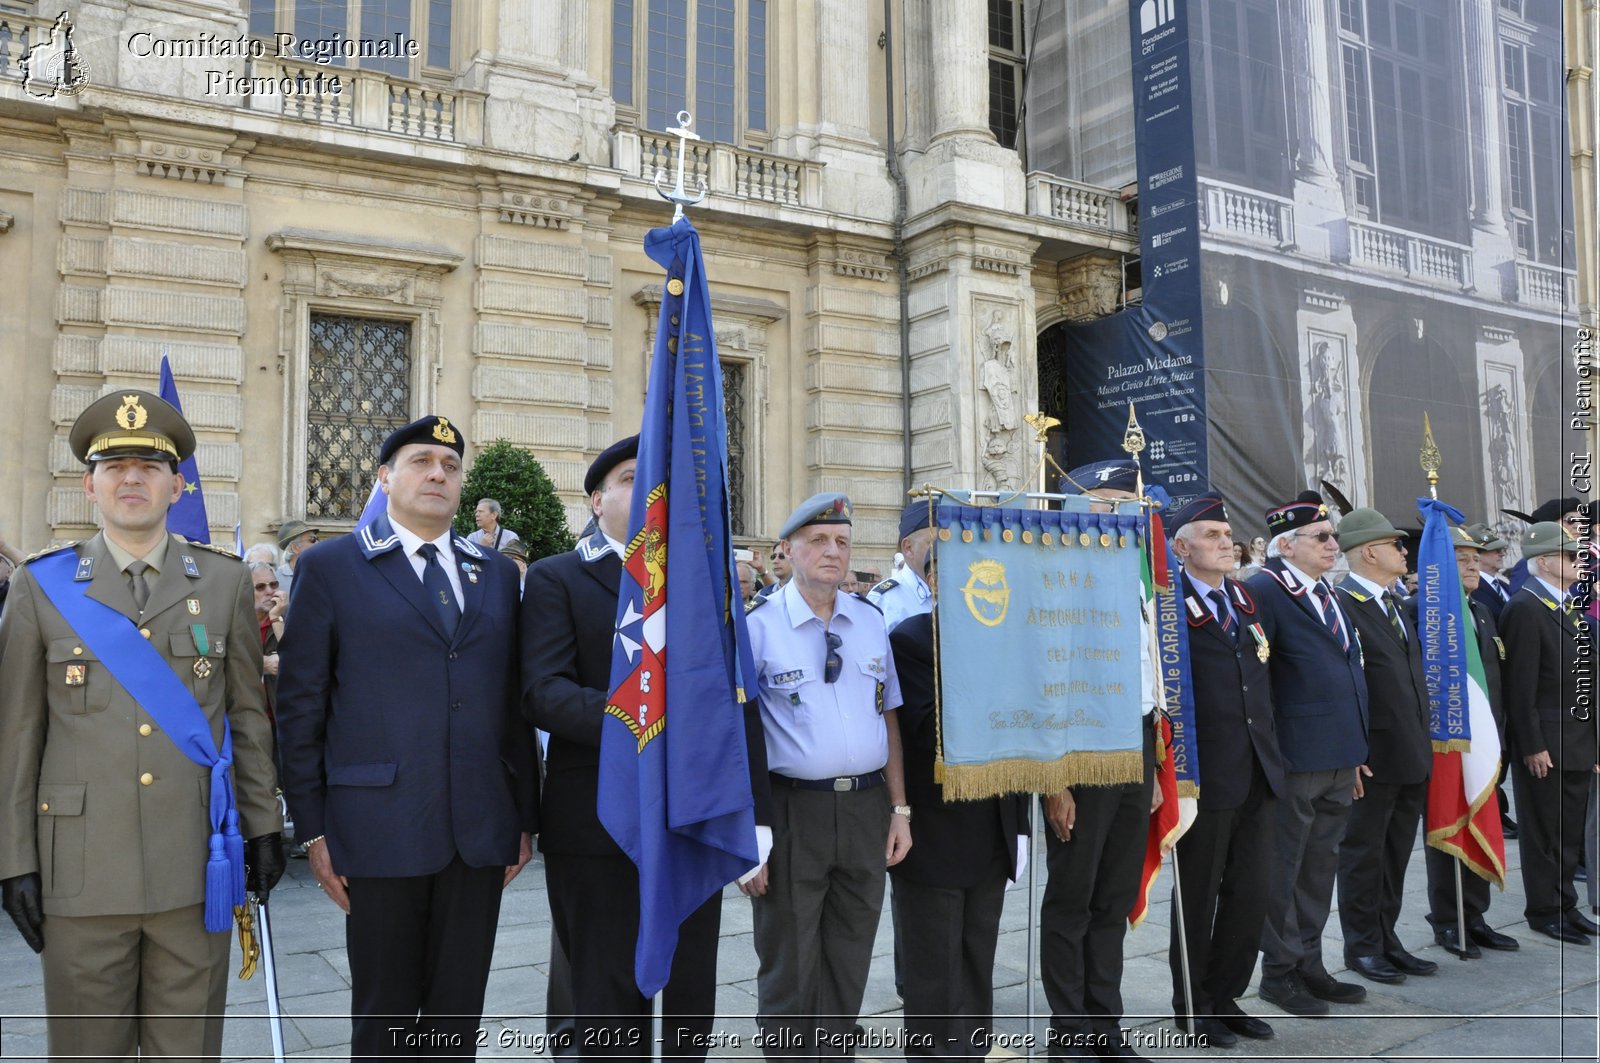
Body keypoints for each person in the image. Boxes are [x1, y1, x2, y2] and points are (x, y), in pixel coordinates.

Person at [0, 388, 284, 1059]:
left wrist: (264, 824)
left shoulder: (224, 583)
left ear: (176, 484)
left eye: (150, 466)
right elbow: (17, 737)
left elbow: (246, 715)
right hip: (80, 873)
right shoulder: (41, 588)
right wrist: (14, 861)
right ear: (89, 485)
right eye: (116, 465)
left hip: (196, 868)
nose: (133, 477)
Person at [275, 414, 538, 1057]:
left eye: (450, 467)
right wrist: (311, 829)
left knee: (457, 1019)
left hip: (478, 830)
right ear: (386, 477)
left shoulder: (497, 574)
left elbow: (514, 707)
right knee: (385, 1016)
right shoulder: (335, 566)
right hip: (376, 827)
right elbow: (301, 705)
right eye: (421, 462)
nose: (437, 474)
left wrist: (524, 817)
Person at [740, 491, 912, 1059]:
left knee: (850, 953)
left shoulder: (870, 621)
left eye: (841, 541)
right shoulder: (757, 628)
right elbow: (735, 740)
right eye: (817, 540)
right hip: (792, 811)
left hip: (865, 809)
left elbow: (887, 719)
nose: (832, 551)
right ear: (785, 550)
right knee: (789, 959)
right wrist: (748, 839)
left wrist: (899, 810)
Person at [1039, 460, 1161, 1061]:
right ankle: (1069, 1031)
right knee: (1073, 893)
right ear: (1073, 507)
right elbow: (1045, 682)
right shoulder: (1054, 573)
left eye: (1126, 503)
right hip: (1079, 747)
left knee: (1112, 893)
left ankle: (1104, 1023)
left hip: (1135, 741)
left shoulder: (1137, 574)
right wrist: (1053, 781)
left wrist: (1158, 766)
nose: (1120, 513)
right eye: (1106, 502)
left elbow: (1150, 676)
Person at [889, 552, 1028, 1062]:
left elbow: (1026, 729)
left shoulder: (1009, 636)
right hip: (937, 830)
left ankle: (971, 1052)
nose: (987, 595)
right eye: (971, 580)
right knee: (934, 967)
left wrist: (1021, 826)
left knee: (976, 960)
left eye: (993, 585)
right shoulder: (912, 638)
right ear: (933, 580)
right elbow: (929, 729)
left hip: (995, 823)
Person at [1164, 490, 1284, 1049]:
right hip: (1203, 771)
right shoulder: (1168, 604)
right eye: (1211, 536)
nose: (1226, 543)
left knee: (1250, 891)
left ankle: (1227, 993)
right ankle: (1192, 1004)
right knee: (1197, 893)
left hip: (1257, 768)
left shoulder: (1242, 599)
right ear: (1182, 547)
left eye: (1227, 534)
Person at [1245, 491, 1369, 1018]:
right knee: (1285, 868)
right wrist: (1271, 762)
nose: (1332, 545)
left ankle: (1310, 963)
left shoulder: (1330, 593)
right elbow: (1258, 683)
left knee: (1320, 866)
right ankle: (1279, 972)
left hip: (1340, 755)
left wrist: (1357, 752)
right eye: (1321, 537)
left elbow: (1348, 670)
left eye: (1332, 536)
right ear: (1286, 546)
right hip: (1296, 759)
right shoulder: (1263, 591)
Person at [1331, 509, 1437, 984]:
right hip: (1375, 757)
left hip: (1410, 750)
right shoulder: (1344, 602)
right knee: (1363, 855)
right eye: (1395, 544)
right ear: (1369, 551)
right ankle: (1362, 946)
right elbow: (1345, 686)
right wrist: (1353, 752)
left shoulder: (1393, 602)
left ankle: (1387, 938)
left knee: (1395, 856)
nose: (1403, 551)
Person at [1424, 524, 1520, 957]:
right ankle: (1448, 920)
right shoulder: (1422, 612)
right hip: (1447, 744)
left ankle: (1475, 915)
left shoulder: (1480, 610)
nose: (1472, 564)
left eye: (1474, 557)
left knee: (1482, 817)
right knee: (1450, 823)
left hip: (1484, 741)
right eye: (1460, 557)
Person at [1501, 521, 1599, 943]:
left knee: (1568, 833)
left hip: (1578, 738)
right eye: (1568, 556)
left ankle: (1565, 905)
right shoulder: (1526, 607)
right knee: (1546, 834)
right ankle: (1545, 910)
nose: (1579, 562)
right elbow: (1520, 688)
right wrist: (1532, 745)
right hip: (1549, 742)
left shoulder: (1568, 604)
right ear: (1543, 562)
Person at [868, 499, 937, 633]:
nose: (943, 551)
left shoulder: (958, 592)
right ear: (908, 548)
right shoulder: (885, 601)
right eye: (934, 544)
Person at [274, 519, 319, 598]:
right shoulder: (276, 580)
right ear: (295, 548)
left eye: (317, 539)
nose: (318, 543)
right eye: (312, 539)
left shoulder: (322, 573)